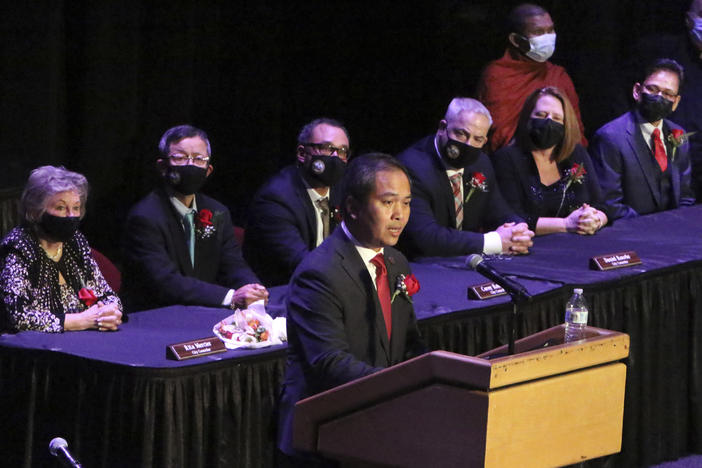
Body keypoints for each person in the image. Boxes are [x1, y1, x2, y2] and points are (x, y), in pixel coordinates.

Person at [277, 153, 426, 464]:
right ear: (352, 208)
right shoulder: (318, 273)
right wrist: (398, 386)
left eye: (407, 203)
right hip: (324, 434)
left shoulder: (396, 261)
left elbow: (408, 343)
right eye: (388, 203)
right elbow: (328, 362)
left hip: (378, 425)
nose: (400, 214)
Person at [122, 125, 268, 311]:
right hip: (157, 314)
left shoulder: (217, 212)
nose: (190, 165)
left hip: (203, 310)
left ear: (208, 170)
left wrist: (254, 289)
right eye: (180, 158)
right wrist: (231, 297)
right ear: (162, 166)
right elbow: (165, 281)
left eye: (199, 159)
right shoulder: (144, 217)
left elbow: (233, 264)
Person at [397, 97, 534, 258]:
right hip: (421, 265)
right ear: (442, 128)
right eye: (461, 134)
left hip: (466, 262)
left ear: (485, 141)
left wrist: (518, 230)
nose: (468, 144)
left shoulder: (481, 163)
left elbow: (498, 210)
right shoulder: (411, 167)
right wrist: (494, 242)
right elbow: (425, 237)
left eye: (477, 139)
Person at [0, 166, 122, 332]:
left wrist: (111, 312)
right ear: (36, 211)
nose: (71, 216)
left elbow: (106, 294)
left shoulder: (75, 242)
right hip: (36, 349)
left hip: (83, 340)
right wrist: (79, 321)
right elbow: (18, 316)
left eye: (76, 208)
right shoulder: (19, 247)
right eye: (60, 208)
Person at [243, 118, 348, 286]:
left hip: (325, 287)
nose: (335, 157)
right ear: (302, 153)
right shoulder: (276, 198)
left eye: (342, 151)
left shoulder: (343, 191)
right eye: (327, 148)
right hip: (282, 293)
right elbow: (301, 263)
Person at [493, 87, 609, 235]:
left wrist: (595, 220)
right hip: (531, 246)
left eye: (556, 118)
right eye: (541, 115)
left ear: (566, 124)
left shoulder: (576, 153)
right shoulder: (506, 158)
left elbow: (601, 205)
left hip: (578, 243)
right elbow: (511, 219)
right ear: (527, 118)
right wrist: (566, 224)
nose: (548, 122)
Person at [590, 59, 695, 220]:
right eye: (653, 89)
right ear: (637, 91)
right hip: (631, 235)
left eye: (667, 94)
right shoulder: (610, 137)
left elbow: (685, 196)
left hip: (674, 233)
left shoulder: (678, 134)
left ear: (676, 102)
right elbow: (610, 204)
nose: (659, 97)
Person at [476, 3, 586, 153]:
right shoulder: (497, 75)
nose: (547, 37)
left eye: (551, 30)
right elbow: (498, 133)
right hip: (513, 161)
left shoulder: (559, 75)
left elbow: (575, 130)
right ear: (515, 40)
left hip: (557, 159)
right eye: (538, 32)